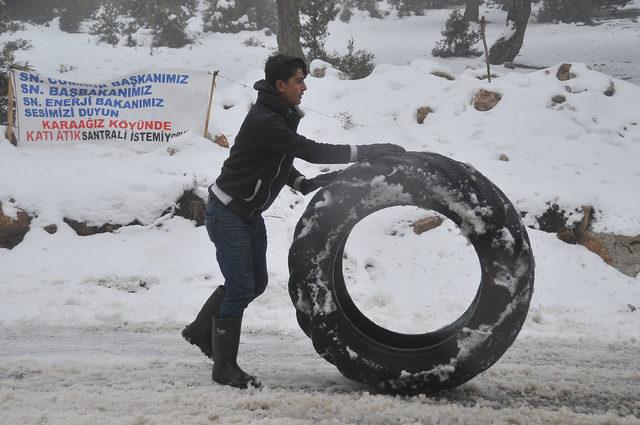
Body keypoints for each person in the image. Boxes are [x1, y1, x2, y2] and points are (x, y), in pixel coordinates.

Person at [182, 53, 405, 389]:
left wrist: (300, 182)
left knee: (254, 283)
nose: (305, 87)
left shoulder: (280, 113)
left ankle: (201, 331)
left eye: (304, 79)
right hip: (228, 213)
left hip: (247, 212)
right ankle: (224, 367)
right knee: (242, 285)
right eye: (299, 80)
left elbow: (277, 156)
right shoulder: (266, 120)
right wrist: (366, 151)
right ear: (280, 85)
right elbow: (308, 150)